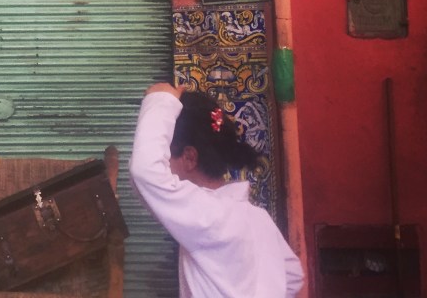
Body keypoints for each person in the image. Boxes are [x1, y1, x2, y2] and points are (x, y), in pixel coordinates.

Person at [129, 83, 304, 297]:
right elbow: (294, 276)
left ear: (189, 157)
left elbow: (145, 172)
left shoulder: (208, 215)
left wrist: (161, 99)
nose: (164, 167)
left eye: (167, 159)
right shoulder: (257, 219)